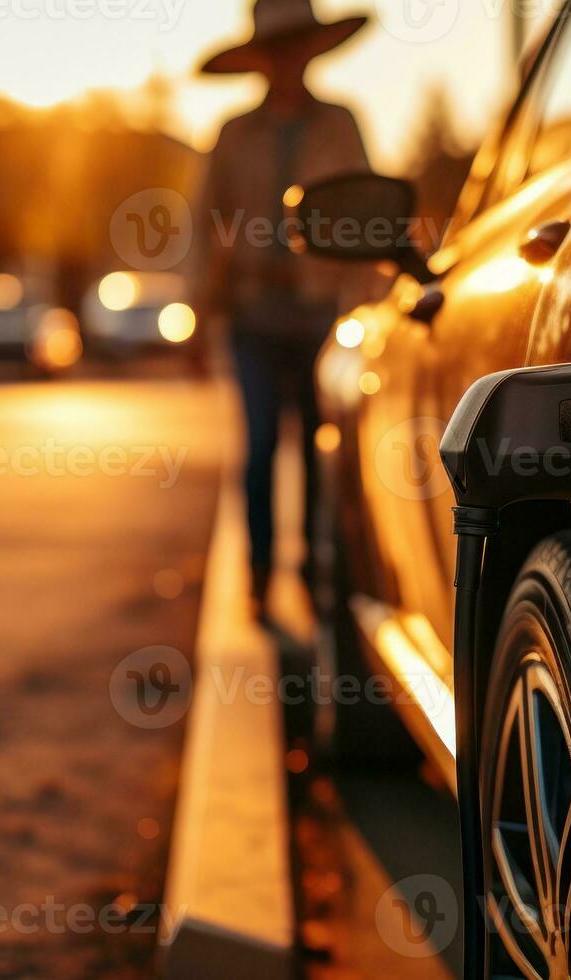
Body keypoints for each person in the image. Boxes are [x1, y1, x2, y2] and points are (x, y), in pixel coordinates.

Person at [195, 0, 373, 620]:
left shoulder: (340, 126)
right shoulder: (233, 135)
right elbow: (205, 225)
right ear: (260, 59)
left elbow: (361, 216)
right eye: (276, 50)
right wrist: (201, 312)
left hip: (321, 313)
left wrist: (365, 303)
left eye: (295, 46)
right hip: (251, 314)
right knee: (261, 444)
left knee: (322, 450)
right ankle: (261, 568)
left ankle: (318, 568)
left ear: (311, 51)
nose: (286, 61)